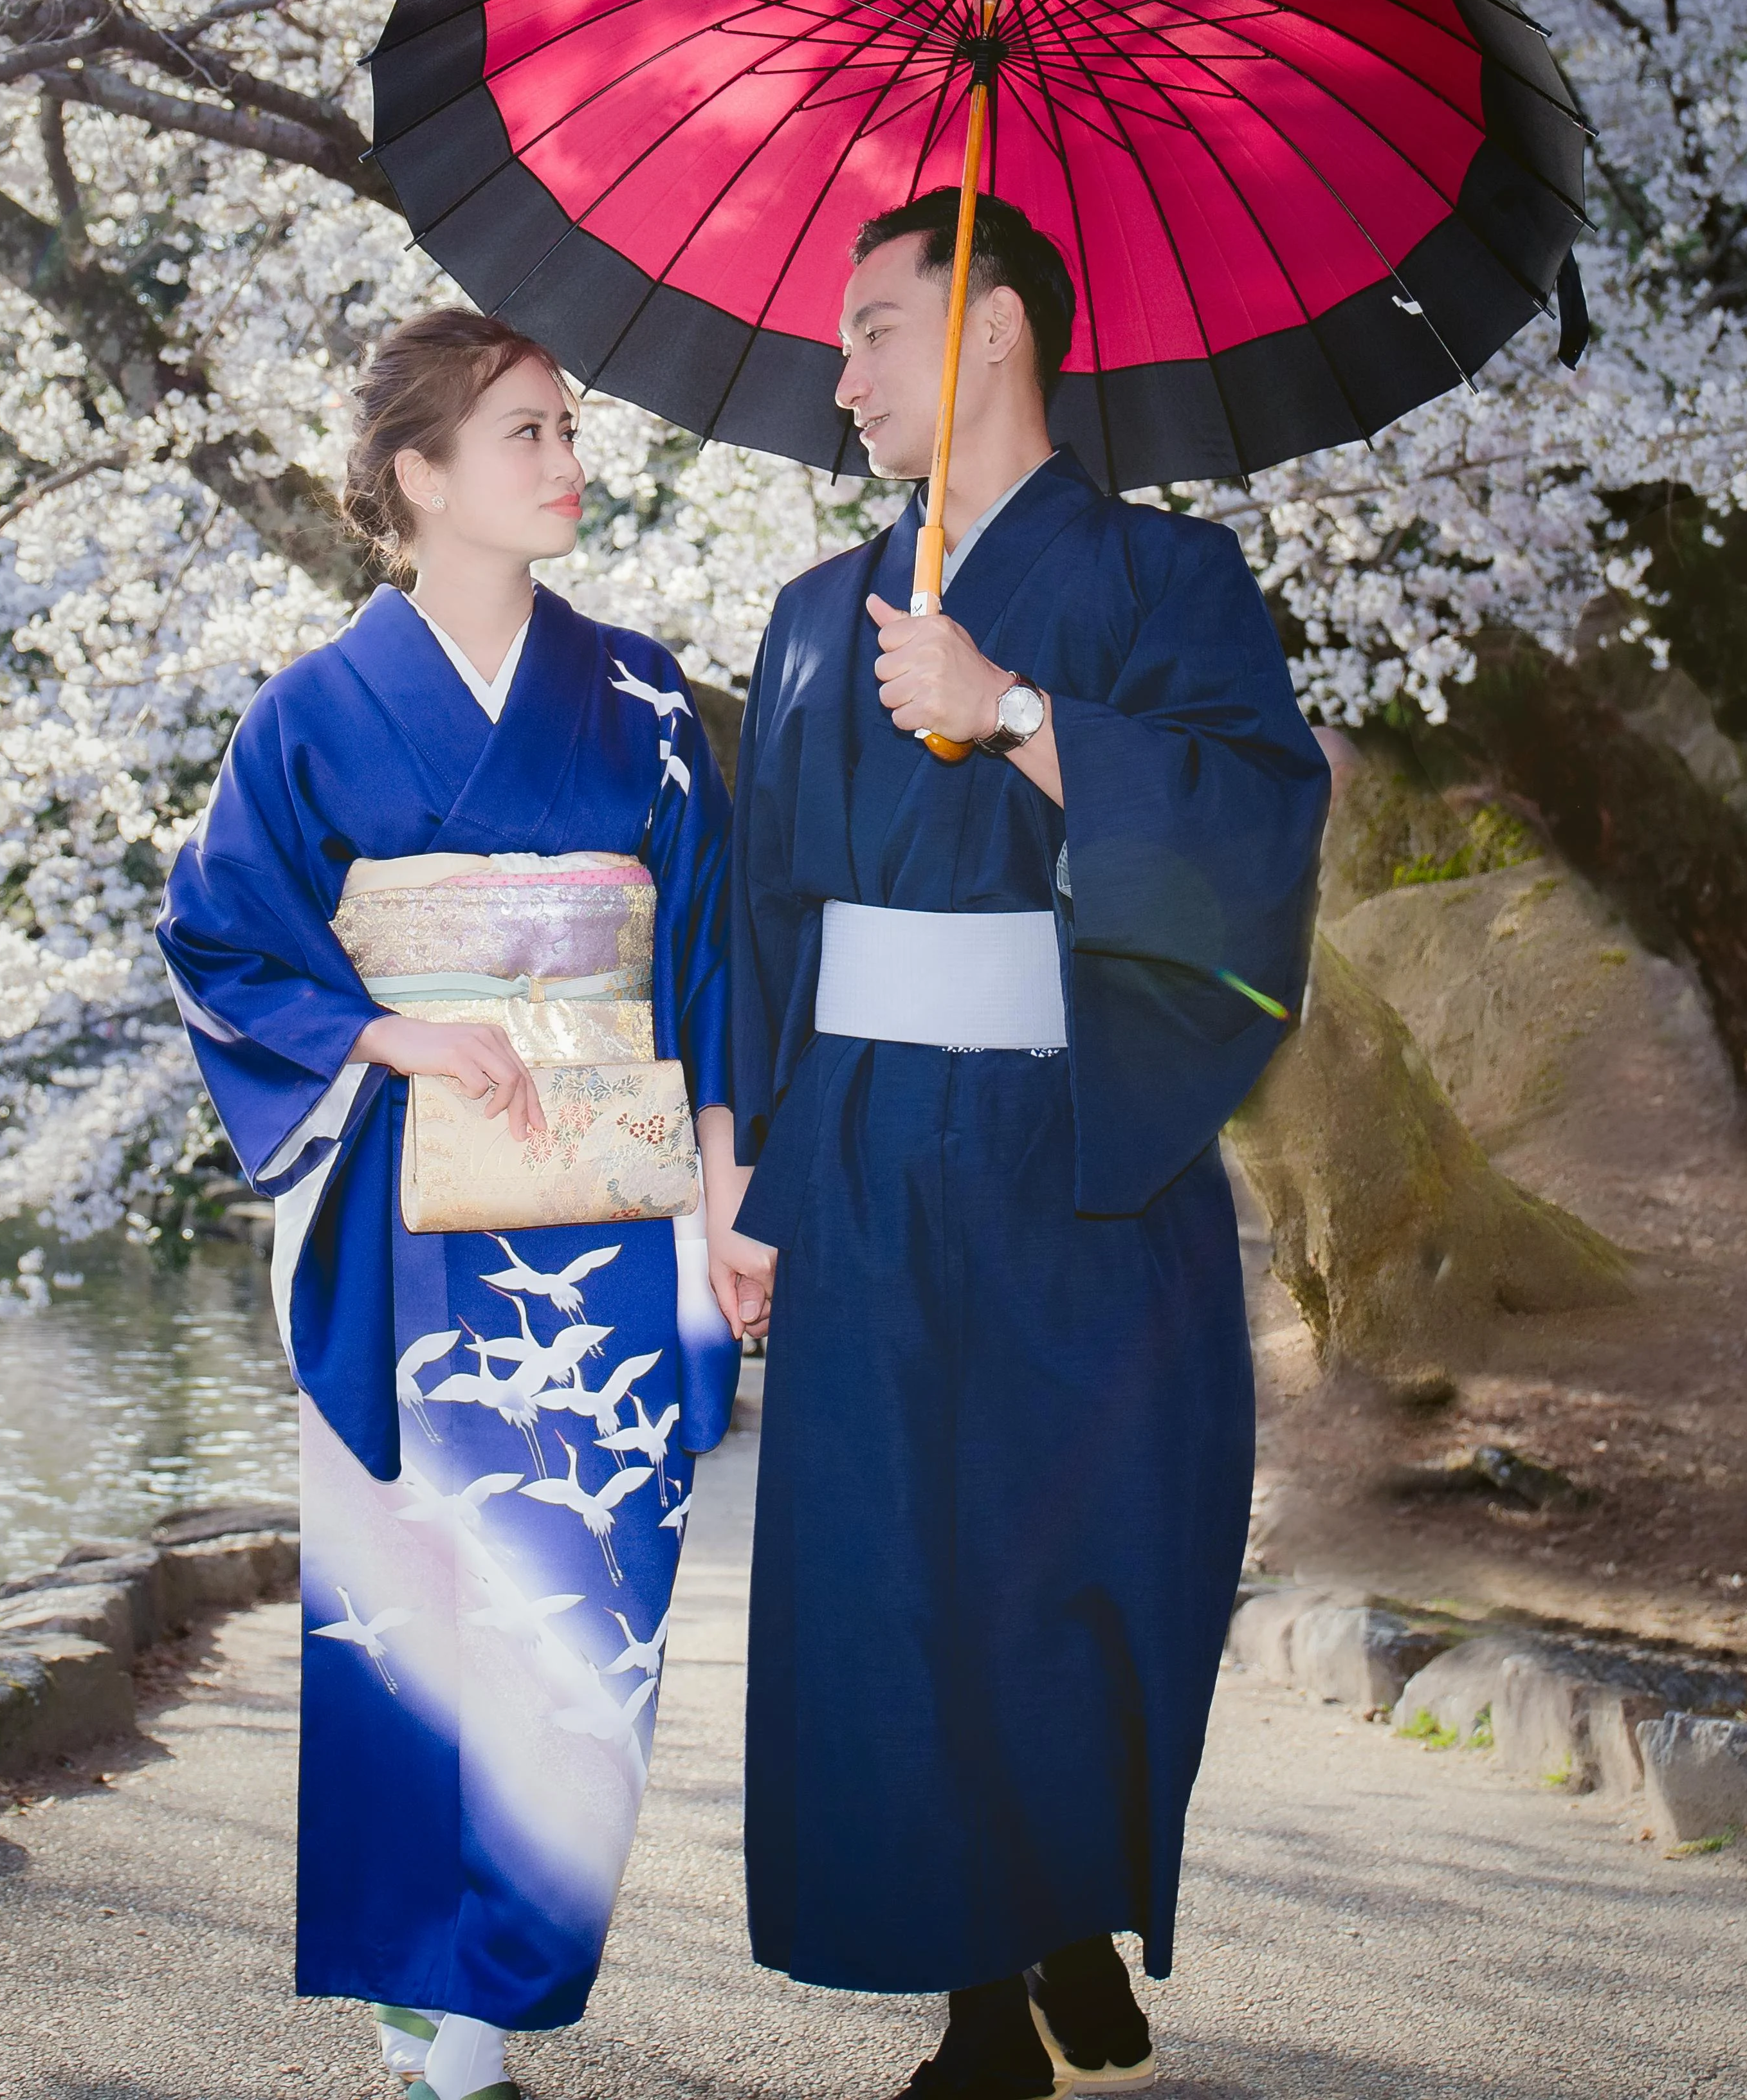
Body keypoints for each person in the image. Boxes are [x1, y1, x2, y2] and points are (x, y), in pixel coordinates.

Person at [709, 192, 1327, 2100]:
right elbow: (765, 922)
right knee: (896, 1561)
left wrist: (1017, 713)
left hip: (1083, 1138)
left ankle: (1066, 1905)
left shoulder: (1171, 588)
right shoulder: (819, 618)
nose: (844, 374)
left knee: (1087, 1552)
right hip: (871, 1138)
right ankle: (981, 1994)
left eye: (875, 330)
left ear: (988, 329)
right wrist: (741, 1180)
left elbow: (1251, 831)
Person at [158, 307, 747, 2100]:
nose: (568, 463)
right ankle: (444, 1995)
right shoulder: (315, 714)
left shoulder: (642, 697)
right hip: (413, 1225)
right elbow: (222, 939)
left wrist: (731, 1208)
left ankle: (487, 1983)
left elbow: (716, 966)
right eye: (523, 435)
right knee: (419, 1607)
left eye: (569, 429)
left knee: (589, 1615)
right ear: (417, 477)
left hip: (616, 1230)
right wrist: (388, 1029)